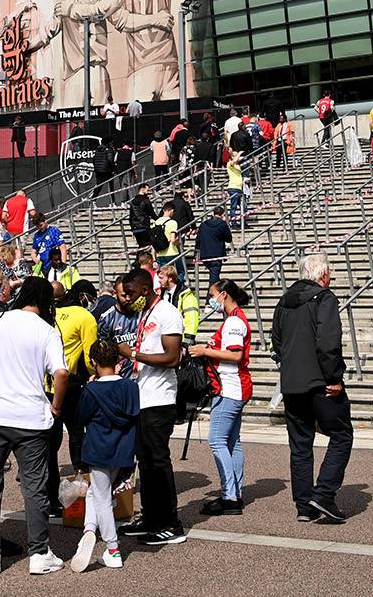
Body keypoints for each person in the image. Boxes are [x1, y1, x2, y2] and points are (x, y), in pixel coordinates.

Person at [0, 277, 70, 575]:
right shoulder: (46, 329)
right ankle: (39, 552)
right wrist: (56, 407)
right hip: (31, 418)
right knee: (34, 487)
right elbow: (62, 373)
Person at [273, 253, 352, 523]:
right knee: (342, 434)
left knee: (300, 444)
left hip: (292, 382)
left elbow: (276, 341)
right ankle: (325, 492)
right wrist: (334, 377)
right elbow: (328, 341)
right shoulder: (324, 298)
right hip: (319, 381)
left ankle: (304, 504)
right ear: (323, 274)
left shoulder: (284, 301)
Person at [114, 268, 186, 546]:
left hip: (160, 398)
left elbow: (171, 358)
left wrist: (132, 353)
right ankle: (152, 516)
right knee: (144, 462)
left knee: (158, 461)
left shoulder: (167, 313)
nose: (127, 299)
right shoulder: (144, 314)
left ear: (145, 289)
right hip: (142, 396)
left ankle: (170, 522)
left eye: (131, 293)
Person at [72, 339, 137, 572]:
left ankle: (112, 548)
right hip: (123, 450)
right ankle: (89, 529)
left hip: (99, 449)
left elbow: (80, 418)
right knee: (97, 493)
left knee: (101, 498)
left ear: (93, 362)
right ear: (118, 360)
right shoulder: (131, 387)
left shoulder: (92, 389)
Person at [187, 279, 252, 515]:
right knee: (232, 442)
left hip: (229, 387)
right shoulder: (234, 319)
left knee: (217, 440)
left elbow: (235, 355)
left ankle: (229, 495)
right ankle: (235, 491)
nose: (210, 300)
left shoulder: (234, 321)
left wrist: (205, 351)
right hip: (233, 387)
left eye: (212, 295)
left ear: (223, 295)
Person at [47, 280, 98, 517]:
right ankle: (83, 491)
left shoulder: (45, 316)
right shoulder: (83, 315)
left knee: (49, 444)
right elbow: (90, 355)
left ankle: (50, 499)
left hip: (46, 386)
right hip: (73, 384)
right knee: (78, 436)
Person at [195, 206, 232, 285]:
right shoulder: (222, 224)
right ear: (222, 214)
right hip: (216, 255)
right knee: (214, 280)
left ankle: (217, 294)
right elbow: (228, 239)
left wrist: (197, 252)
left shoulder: (203, 224)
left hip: (205, 254)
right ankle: (211, 296)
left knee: (214, 277)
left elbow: (198, 239)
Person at [128, 183, 156, 248]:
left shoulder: (132, 201)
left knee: (141, 246)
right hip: (144, 227)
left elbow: (131, 216)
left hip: (135, 228)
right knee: (147, 245)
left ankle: (140, 257)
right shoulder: (146, 201)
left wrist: (132, 228)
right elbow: (152, 214)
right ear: (142, 189)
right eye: (147, 190)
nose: (148, 192)